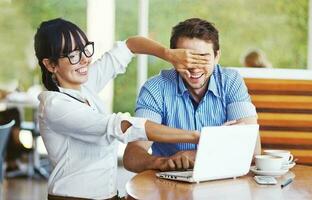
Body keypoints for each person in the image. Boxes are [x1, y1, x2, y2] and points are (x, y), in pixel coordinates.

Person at [34, 18, 210, 200]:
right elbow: (125, 126)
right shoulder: (55, 105)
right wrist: (196, 136)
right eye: (72, 55)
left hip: (107, 195)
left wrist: (169, 54)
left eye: (85, 49)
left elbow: (130, 45)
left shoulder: (84, 85)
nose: (85, 59)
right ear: (50, 64)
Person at [123, 18, 261, 173]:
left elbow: (252, 151)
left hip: (221, 182)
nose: (195, 68)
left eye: (203, 57)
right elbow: (132, 157)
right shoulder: (155, 88)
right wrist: (165, 162)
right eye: (187, 59)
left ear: (217, 56)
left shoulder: (231, 82)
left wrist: (197, 156)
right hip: (167, 188)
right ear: (173, 58)